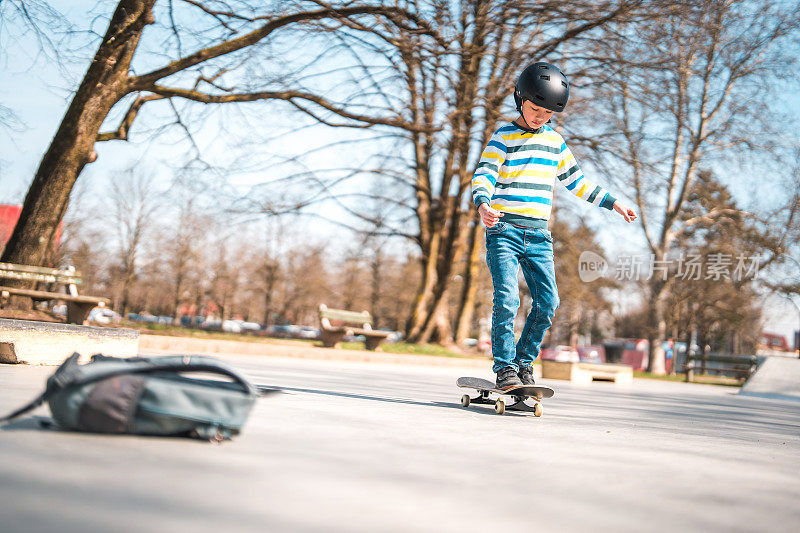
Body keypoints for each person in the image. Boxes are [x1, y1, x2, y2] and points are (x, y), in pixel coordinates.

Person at [471, 62, 637, 390]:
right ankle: (505, 366)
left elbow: (577, 182)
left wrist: (613, 202)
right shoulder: (503, 136)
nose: (540, 117)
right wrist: (483, 203)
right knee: (507, 299)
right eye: (535, 109)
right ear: (520, 99)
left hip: (539, 236)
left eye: (547, 113)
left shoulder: (555, 143)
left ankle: (524, 362)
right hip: (503, 230)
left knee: (548, 303)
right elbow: (485, 173)